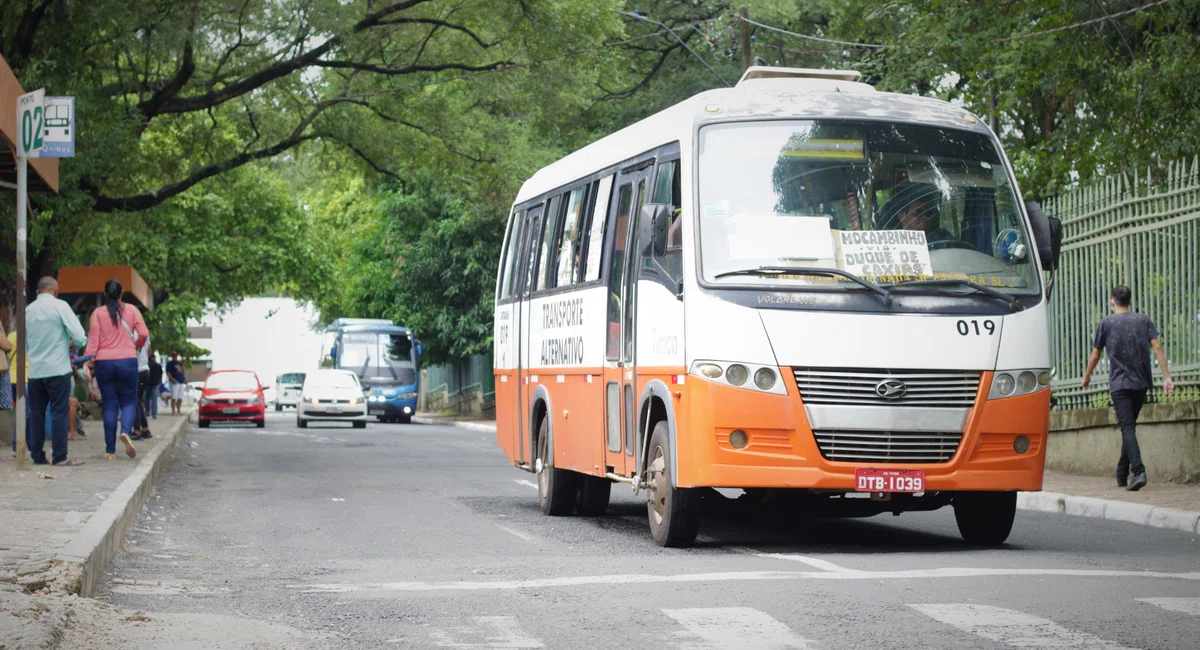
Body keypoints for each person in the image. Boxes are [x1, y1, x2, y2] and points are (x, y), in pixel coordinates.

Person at [1082, 285, 1175, 492]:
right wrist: (1167, 377)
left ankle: (1139, 470)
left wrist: (1087, 376)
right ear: (1130, 302)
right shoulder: (1143, 320)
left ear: (1111, 301)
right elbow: (1157, 347)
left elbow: (1096, 354)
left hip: (1120, 385)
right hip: (1141, 383)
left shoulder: (1106, 323)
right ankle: (1122, 473)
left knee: (1127, 427)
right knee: (1129, 425)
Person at [25, 277, 88, 466]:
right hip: (57, 369)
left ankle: (37, 455)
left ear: (37, 291)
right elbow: (79, 337)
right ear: (56, 290)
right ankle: (60, 457)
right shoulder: (60, 306)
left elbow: (26, 342)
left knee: (36, 412)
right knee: (59, 411)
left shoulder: (27, 310)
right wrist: (74, 344)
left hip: (35, 371)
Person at [84, 279, 147, 460]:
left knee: (110, 405)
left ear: (105, 294)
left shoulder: (97, 313)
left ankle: (110, 451)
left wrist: (87, 363)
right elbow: (143, 334)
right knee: (129, 402)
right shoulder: (133, 311)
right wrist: (136, 346)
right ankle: (126, 431)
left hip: (104, 363)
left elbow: (93, 341)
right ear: (122, 293)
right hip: (127, 361)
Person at [878, 182, 956, 246]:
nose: (925, 217)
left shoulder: (941, 239)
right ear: (902, 216)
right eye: (918, 213)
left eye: (927, 212)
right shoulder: (889, 243)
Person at [147, 351, 163, 419]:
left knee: (147, 399)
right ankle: (154, 414)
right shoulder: (158, 365)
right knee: (154, 400)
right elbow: (161, 374)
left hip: (148, 383)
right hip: (155, 384)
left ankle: (147, 412)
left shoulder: (147, 365)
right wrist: (160, 382)